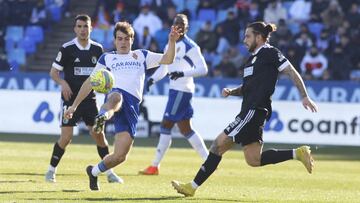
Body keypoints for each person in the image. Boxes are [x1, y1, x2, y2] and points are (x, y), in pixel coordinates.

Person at [171, 21, 318, 197]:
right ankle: (298, 153)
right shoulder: (251, 61)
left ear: (259, 37)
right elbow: (248, 87)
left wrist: (304, 95)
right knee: (253, 159)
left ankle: (192, 187)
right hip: (251, 111)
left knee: (217, 145)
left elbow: (292, 72)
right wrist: (232, 91)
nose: (244, 40)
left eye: (248, 36)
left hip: (254, 111)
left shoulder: (269, 52)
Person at [64, 21, 181, 190]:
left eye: (127, 39)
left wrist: (172, 41)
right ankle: (102, 117)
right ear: (114, 41)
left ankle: (94, 172)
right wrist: (74, 106)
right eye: (120, 39)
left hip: (132, 106)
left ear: (132, 40)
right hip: (114, 95)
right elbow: (89, 82)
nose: (123, 42)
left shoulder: (142, 55)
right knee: (116, 97)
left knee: (120, 156)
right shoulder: (107, 58)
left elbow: (168, 59)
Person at [45, 14, 122, 184]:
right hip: (70, 98)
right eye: (79, 26)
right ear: (75, 29)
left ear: (91, 28)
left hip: (91, 100)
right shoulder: (67, 48)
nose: (82, 30)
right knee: (66, 137)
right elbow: (53, 73)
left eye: (85, 26)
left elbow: (105, 75)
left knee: (99, 134)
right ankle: (51, 170)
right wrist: (63, 82)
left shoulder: (97, 49)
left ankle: (110, 173)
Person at [139, 14, 209, 176]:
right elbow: (165, 67)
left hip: (182, 90)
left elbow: (203, 69)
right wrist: (153, 80)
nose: (178, 26)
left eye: (182, 24)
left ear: (186, 28)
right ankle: (208, 159)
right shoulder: (170, 43)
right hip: (175, 90)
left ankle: (155, 166)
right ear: (172, 26)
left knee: (166, 125)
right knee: (186, 129)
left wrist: (182, 73)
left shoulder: (190, 46)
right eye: (176, 23)